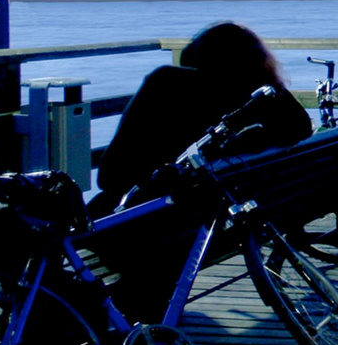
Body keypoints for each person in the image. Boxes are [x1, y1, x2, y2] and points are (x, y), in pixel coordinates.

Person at [90, 22, 313, 321]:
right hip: (218, 223)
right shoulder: (268, 98)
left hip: (155, 226)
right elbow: (300, 127)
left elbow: (110, 176)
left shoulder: (167, 83)